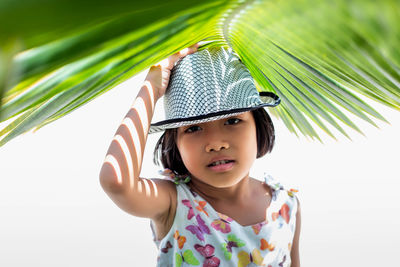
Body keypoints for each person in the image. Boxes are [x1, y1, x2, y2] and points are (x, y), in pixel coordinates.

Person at [99, 43, 301, 267]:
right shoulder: (175, 203)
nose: (215, 143)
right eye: (193, 128)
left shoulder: (287, 205)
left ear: (259, 126)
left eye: (232, 121)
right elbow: (116, 180)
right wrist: (151, 89)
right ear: (174, 143)